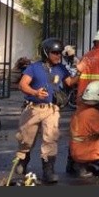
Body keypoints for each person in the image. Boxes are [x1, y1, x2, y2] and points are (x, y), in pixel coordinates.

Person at [13, 37, 75, 184]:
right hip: (33, 109)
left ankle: (48, 171)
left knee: (50, 139)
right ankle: (22, 159)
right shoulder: (34, 67)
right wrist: (35, 93)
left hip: (51, 109)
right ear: (46, 53)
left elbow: (70, 82)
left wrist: (82, 71)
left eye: (60, 53)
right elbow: (23, 85)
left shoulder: (61, 68)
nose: (58, 55)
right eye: (55, 52)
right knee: (25, 139)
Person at [68, 80, 99, 179]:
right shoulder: (92, 114)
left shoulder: (80, 110)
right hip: (85, 151)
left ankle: (80, 167)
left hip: (75, 150)